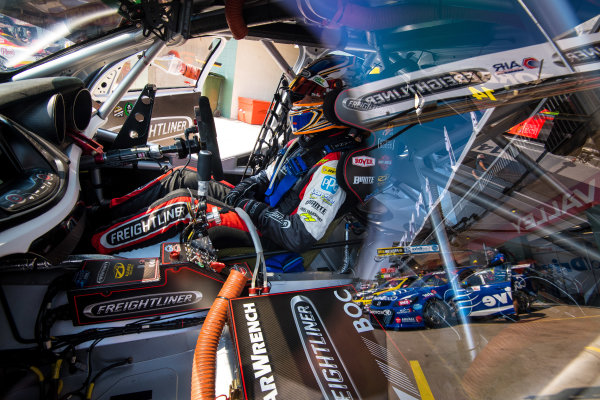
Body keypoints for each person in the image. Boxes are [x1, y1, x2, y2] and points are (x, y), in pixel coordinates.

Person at [90, 54, 367, 255]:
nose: (300, 105)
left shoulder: (334, 165)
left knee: (183, 206)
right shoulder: (305, 143)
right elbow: (265, 176)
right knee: (179, 178)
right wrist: (243, 191)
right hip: (258, 212)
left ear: (337, 104)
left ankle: (92, 244)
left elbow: (299, 235)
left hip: (269, 236)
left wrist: (250, 207)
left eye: (309, 97)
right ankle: (97, 216)